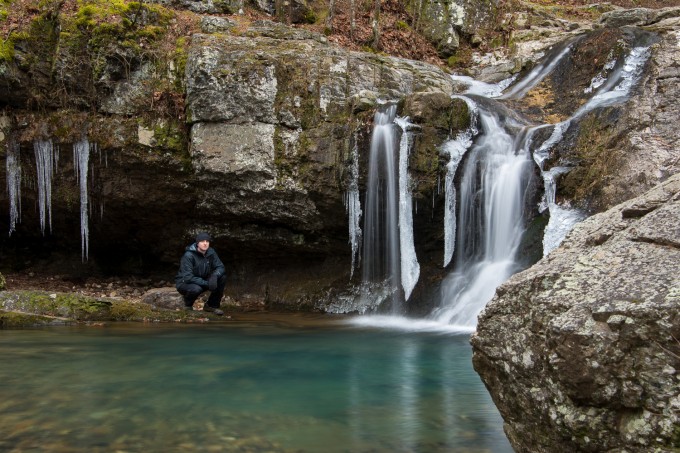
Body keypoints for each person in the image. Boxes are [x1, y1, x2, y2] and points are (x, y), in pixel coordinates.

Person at [175, 232, 226, 315]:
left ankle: (211, 305)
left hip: (202, 279)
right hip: (185, 282)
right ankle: (187, 306)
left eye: (207, 241)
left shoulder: (211, 252)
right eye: (202, 241)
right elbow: (188, 277)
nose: (205, 243)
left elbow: (221, 267)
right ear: (197, 243)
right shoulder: (188, 255)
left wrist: (214, 276)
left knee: (222, 277)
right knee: (196, 289)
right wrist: (207, 283)